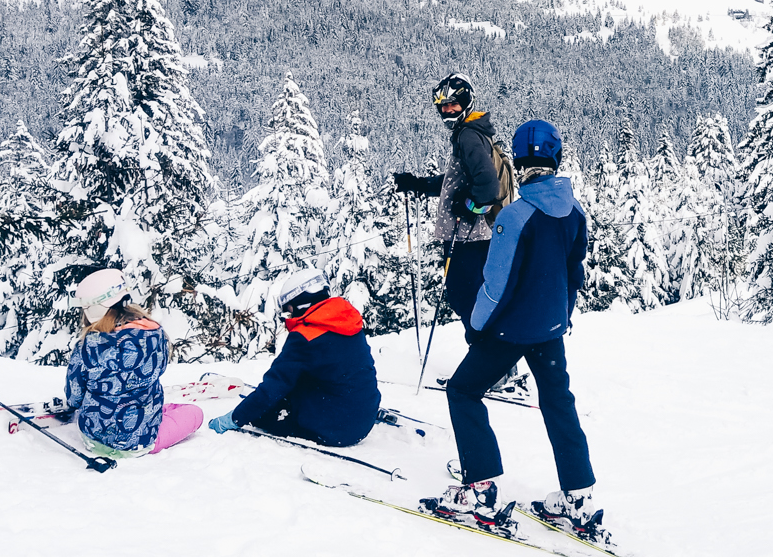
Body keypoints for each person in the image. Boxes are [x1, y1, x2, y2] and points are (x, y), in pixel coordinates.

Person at [424, 120, 604, 541]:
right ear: (555, 158)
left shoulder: (514, 217)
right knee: (558, 401)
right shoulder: (575, 213)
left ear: (519, 162)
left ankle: (481, 488)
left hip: (508, 332)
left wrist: (477, 326)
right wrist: (562, 314)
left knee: (463, 391)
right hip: (550, 329)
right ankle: (579, 497)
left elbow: (495, 284)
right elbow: (572, 273)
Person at [392, 72, 506, 346]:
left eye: (453, 104)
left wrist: (469, 206)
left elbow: (488, 187)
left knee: (464, 297)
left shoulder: (468, 135)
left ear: (465, 102)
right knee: (473, 297)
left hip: (467, 236)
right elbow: (459, 181)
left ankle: (488, 362)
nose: (446, 110)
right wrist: (421, 185)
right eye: (442, 106)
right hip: (473, 235)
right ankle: (494, 362)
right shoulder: (469, 133)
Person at [209, 266, 381, 445]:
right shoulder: (346, 322)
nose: (288, 316)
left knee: (267, 414)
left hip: (335, 429)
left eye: (289, 310)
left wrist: (234, 418)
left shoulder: (305, 336)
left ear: (301, 304)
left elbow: (273, 388)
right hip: (364, 416)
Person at [59, 270, 203, 457]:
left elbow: (74, 398)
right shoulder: (155, 336)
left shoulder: (86, 346)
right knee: (194, 413)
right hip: (140, 440)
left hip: (92, 436)